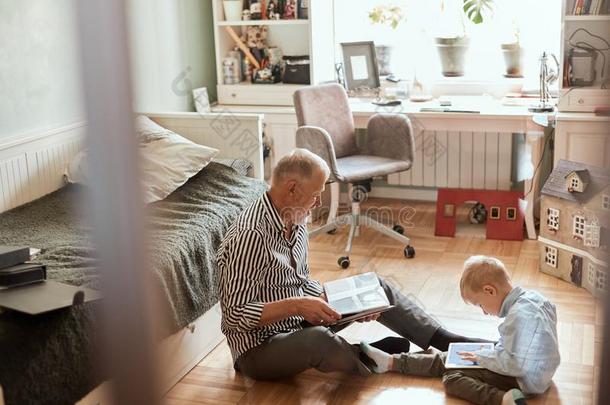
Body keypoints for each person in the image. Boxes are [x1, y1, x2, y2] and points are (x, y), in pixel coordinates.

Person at [217, 148, 486, 380]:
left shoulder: (295, 219)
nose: (318, 203)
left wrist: (341, 303)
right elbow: (235, 316)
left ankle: (445, 341)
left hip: (296, 322)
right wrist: (299, 305)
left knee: (374, 287)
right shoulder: (251, 234)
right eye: (315, 195)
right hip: (258, 349)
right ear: (292, 189)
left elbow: (296, 281)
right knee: (319, 341)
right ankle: (374, 356)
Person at [361, 255, 561, 405]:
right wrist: (482, 355)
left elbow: (514, 364)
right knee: (452, 357)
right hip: (539, 374)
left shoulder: (517, 317)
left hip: (524, 380)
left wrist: (480, 357)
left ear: (489, 290)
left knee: (452, 376)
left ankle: (503, 400)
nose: (483, 312)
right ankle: (390, 362)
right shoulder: (536, 299)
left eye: (480, 304)